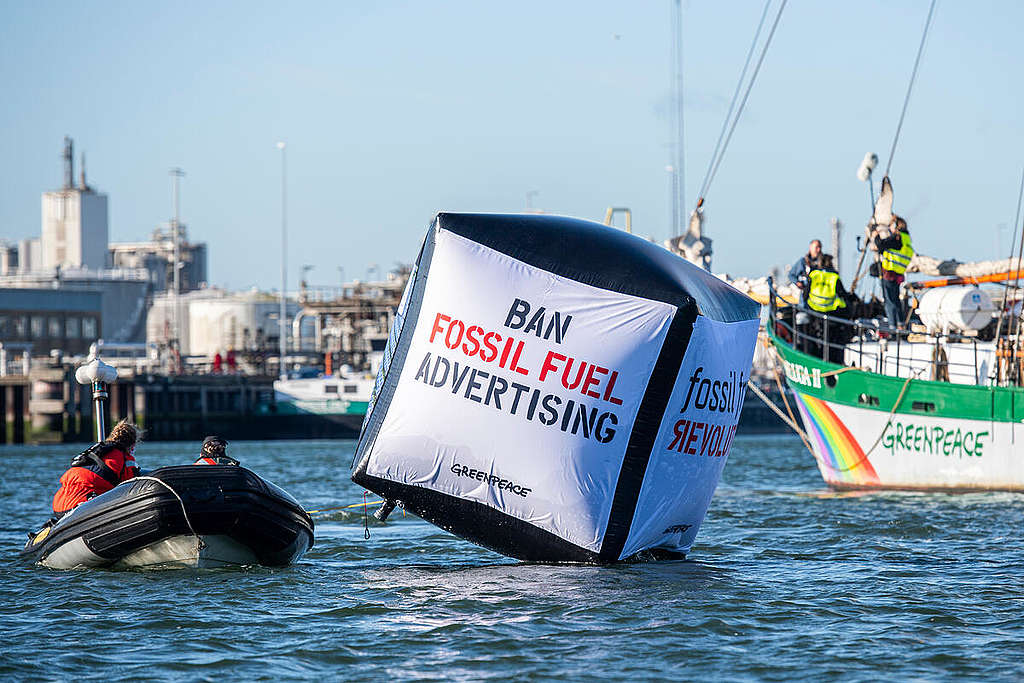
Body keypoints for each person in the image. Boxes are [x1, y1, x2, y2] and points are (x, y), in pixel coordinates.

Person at [52, 419, 142, 516]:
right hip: (80, 505)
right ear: (132, 444)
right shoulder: (126, 459)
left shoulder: (97, 451)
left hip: (59, 505)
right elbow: (130, 487)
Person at [871, 215, 914, 330]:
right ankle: (900, 324)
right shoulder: (906, 238)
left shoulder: (897, 238)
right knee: (896, 300)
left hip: (889, 273)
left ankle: (893, 327)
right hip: (898, 274)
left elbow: (881, 245)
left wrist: (875, 235)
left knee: (889, 302)